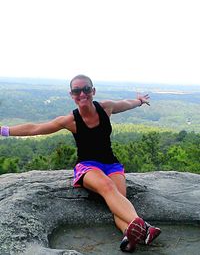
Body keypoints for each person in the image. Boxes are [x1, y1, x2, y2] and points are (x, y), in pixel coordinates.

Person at [0, 74, 161, 252]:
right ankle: (144, 228)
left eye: (86, 89)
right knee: (108, 187)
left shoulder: (106, 107)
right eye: (77, 91)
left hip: (112, 164)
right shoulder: (70, 120)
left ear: (93, 91)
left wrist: (139, 101)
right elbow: (35, 128)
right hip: (87, 166)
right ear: (71, 94)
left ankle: (128, 236)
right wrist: (3, 130)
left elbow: (126, 103)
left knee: (118, 202)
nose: (82, 94)